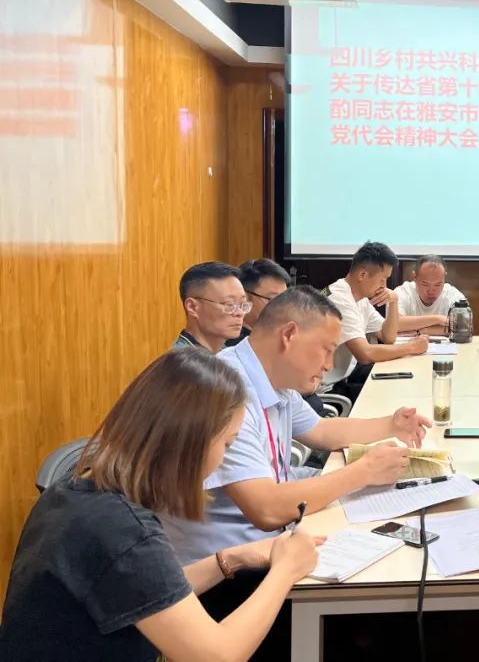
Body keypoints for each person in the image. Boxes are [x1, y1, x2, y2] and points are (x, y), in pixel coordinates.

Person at [0, 349, 321, 662]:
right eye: (227, 443)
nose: (223, 458)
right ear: (193, 441)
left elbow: (150, 588)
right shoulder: (123, 529)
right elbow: (218, 654)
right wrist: (286, 569)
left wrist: (229, 559)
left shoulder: (75, 490)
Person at [160, 286, 429, 568]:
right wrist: (364, 471)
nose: (328, 365)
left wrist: (391, 425)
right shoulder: (226, 390)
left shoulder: (273, 375)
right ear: (289, 334)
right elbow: (266, 509)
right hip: (228, 567)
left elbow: (321, 431)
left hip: (275, 539)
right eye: (326, 350)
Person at [320, 242, 428, 401]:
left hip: (346, 375)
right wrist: (411, 347)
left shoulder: (359, 298)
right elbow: (365, 354)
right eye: (383, 280)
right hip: (327, 388)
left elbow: (388, 337)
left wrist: (394, 301)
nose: (384, 286)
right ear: (363, 275)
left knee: (402, 378)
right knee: (394, 395)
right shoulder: (339, 299)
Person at [174, 262, 248, 352]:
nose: (240, 313)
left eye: (243, 304)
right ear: (192, 307)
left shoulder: (229, 354)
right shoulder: (180, 360)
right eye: (229, 304)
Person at [393, 254, 467, 335]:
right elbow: (393, 324)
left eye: (438, 285)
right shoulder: (403, 292)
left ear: (444, 277)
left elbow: (464, 327)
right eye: (425, 284)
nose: (431, 291)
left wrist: (422, 331)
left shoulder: (453, 295)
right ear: (414, 277)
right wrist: (437, 319)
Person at [227, 258, 292, 346]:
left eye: (285, 299)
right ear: (244, 299)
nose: (282, 307)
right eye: (273, 299)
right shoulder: (235, 345)